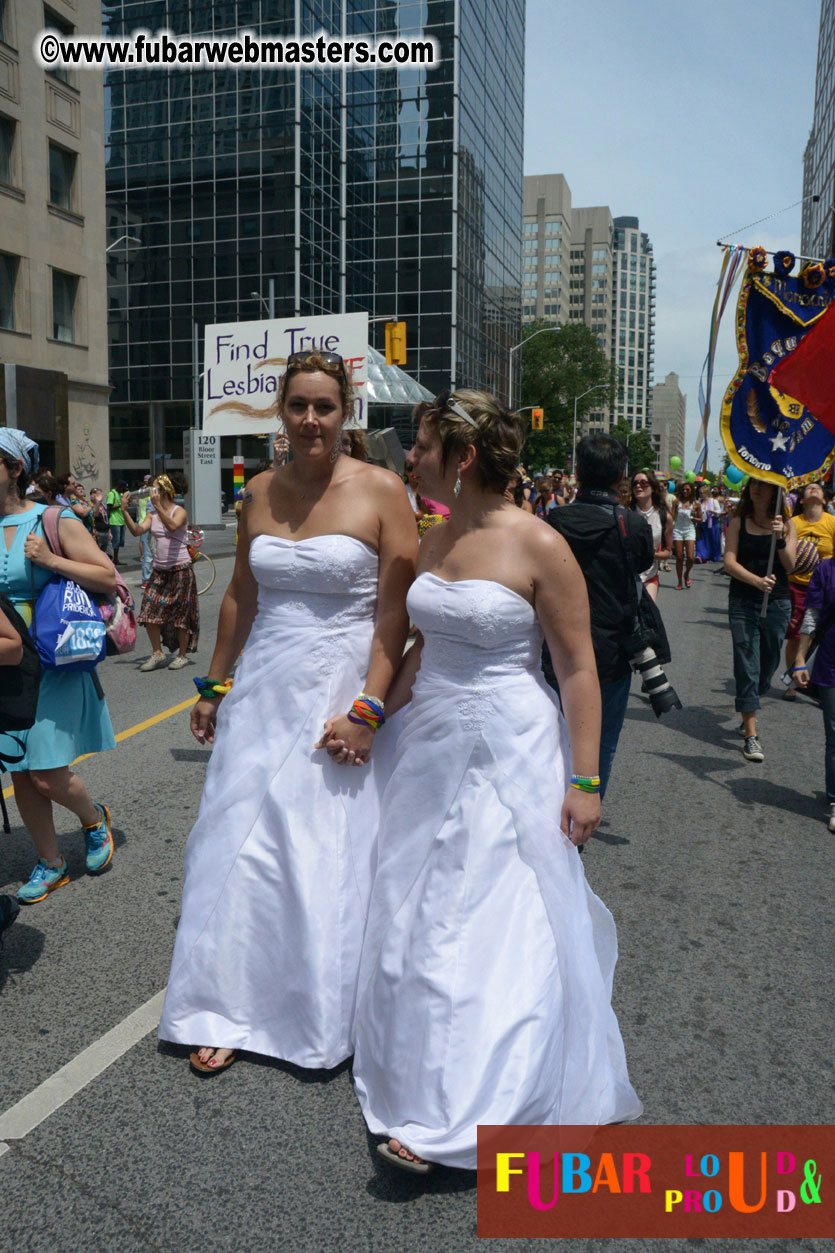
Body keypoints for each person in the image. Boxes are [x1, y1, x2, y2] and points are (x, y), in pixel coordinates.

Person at [349, 390, 641, 1172]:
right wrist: (372, 714)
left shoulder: (538, 543)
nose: (407, 459)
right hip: (429, 744)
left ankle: (477, 1111)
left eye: (418, 446)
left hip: (509, 744)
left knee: (493, 918)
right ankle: (419, 1065)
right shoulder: (432, 538)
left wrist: (585, 780)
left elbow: (578, 666)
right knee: (423, 907)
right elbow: (422, 647)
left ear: (462, 455)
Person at [158, 350, 417, 1075]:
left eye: (324, 406)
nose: (310, 419)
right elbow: (241, 592)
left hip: (342, 686)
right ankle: (225, 1002)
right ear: (280, 411)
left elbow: (397, 613)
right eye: (298, 405)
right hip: (265, 685)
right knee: (238, 841)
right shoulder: (259, 491)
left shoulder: (382, 489)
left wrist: (368, 708)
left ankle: (318, 1007)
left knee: (319, 848)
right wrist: (213, 684)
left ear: (346, 413)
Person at [0, 428, 116, 904]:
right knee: (21, 772)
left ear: (15, 469)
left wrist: (50, 558)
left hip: (51, 657)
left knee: (47, 773)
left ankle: (94, 820)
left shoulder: (53, 518)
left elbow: (106, 575)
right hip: (6, 662)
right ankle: (50, 862)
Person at [545, 434, 654, 799]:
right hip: (611, 652)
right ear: (621, 475)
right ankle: (579, 825)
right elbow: (642, 567)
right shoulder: (633, 525)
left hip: (553, 649)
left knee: (551, 737)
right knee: (602, 743)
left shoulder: (552, 523)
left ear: (578, 471)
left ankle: (547, 811)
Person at [724, 477, 797, 762]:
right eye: (752, 484)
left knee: (768, 662)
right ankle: (751, 735)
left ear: (775, 492)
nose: (756, 488)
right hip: (743, 601)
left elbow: (790, 565)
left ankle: (752, 700)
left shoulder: (787, 525)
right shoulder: (738, 521)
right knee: (746, 664)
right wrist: (756, 581)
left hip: (778, 602)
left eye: (763, 485)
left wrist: (780, 538)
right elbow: (729, 561)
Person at [123, 473, 199, 671]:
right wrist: (124, 511)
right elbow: (137, 531)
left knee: (181, 615)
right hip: (160, 570)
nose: (150, 491)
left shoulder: (179, 511)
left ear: (164, 491)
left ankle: (181, 656)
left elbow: (173, 526)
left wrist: (157, 505)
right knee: (149, 609)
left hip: (181, 569)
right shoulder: (152, 515)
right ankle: (157, 653)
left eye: (155, 487)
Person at [792, 555, 835, 829]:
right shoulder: (826, 569)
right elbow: (813, 615)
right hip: (831, 661)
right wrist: (799, 659)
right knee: (834, 731)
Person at [782, 481, 835, 701]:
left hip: (825, 588)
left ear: (824, 499)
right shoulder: (793, 523)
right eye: (808, 488)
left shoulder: (832, 523)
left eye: (818, 488)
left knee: (818, 633)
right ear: (801, 499)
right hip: (796, 585)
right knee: (795, 636)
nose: (813, 488)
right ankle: (793, 679)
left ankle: (813, 674)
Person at [630, 469, 672, 603]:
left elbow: (667, 552)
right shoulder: (625, 513)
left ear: (653, 487)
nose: (638, 486)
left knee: (649, 614)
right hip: (626, 575)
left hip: (650, 575)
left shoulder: (664, 516)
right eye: (635, 483)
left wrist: (651, 554)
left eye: (643, 483)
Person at [671, 481, 700, 589]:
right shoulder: (677, 502)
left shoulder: (696, 503)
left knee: (690, 557)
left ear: (691, 490)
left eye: (687, 489)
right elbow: (672, 516)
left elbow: (701, 519)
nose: (685, 491)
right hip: (678, 530)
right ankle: (679, 582)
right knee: (679, 556)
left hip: (689, 530)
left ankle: (686, 574)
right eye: (683, 489)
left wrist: (694, 518)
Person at [694, 481, 722, 564]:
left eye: (702, 493)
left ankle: (710, 556)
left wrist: (713, 511)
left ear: (706, 493)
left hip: (712, 523)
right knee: (700, 540)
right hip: (701, 524)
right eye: (699, 493)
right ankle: (699, 555)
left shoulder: (713, 501)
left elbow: (719, 512)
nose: (700, 495)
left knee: (711, 541)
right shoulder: (699, 501)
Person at [106, 480, 128, 566]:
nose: (123, 490)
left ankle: (116, 559)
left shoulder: (119, 494)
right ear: (119, 486)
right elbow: (109, 507)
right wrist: (120, 505)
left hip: (121, 520)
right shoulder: (112, 494)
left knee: (120, 542)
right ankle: (112, 559)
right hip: (114, 521)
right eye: (123, 488)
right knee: (115, 541)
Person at [88, 489, 113, 557]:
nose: (101, 496)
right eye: (98, 494)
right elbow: (95, 514)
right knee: (99, 554)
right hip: (98, 533)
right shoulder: (91, 505)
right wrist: (97, 502)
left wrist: (109, 531)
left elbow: (107, 518)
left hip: (106, 532)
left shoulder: (103, 505)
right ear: (92, 495)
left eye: (101, 494)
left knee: (109, 554)